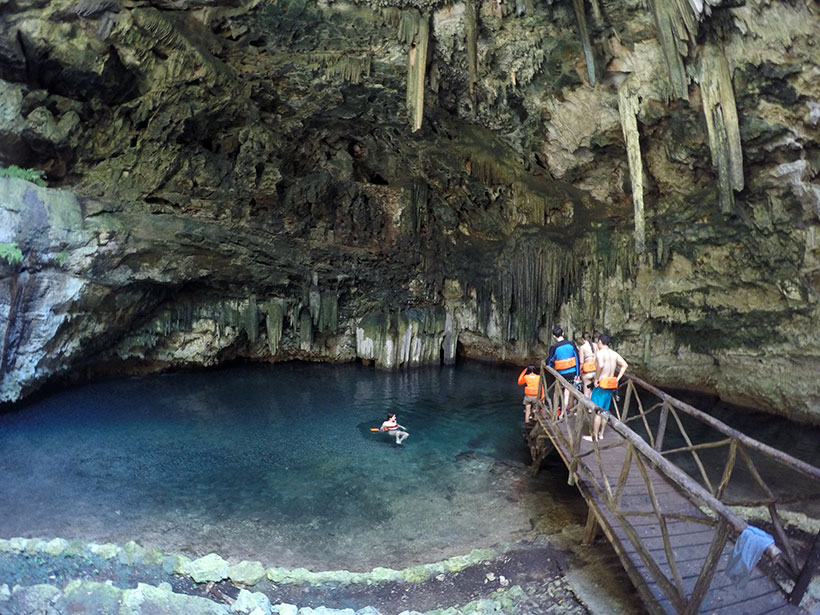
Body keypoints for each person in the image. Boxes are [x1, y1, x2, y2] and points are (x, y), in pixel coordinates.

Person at [584, 333, 628, 442]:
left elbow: (601, 365)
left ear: (599, 342)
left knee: (598, 410)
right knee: (605, 409)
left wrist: (596, 379)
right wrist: (617, 379)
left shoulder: (599, 353)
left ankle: (594, 437)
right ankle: (601, 434)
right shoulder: (614, 354)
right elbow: (625, 365)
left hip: (602, 383)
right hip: (611, 383)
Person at [546, 325, 581, 413]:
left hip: (560, 374)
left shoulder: (554, 347)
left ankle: (555, 411)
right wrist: (577, 374)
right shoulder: (571, 344)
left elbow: (548, 361)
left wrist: (554, 363)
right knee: (567, 392)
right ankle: (564, 412)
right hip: (572, 373)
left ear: (554, 336)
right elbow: (577, 359)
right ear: (563, 333)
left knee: (557, 392)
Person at [578, 331, 596, 399]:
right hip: (595, 372)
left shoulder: (582, 347)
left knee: (586, 393)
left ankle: (587, 409)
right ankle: (591, 409)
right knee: (592, 392)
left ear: (582, 339)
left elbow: (582, 362)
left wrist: (578, 374)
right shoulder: (595, 345)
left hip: (587, 373)